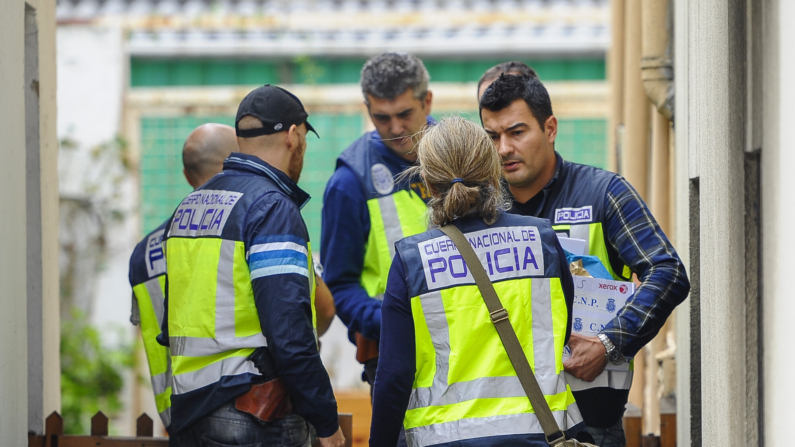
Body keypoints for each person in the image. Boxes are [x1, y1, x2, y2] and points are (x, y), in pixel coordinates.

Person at [479, 74, 690, 446]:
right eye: (492, 136)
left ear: (550, 128)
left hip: (593, 428)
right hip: (504, 428)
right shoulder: (481, 212)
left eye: (516, 132)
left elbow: (668, 271)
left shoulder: (604, 193)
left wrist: (609, 343)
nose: (504, 148)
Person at [370, 117, 586, 446]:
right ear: (492, 173)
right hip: (541, 435)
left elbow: (394, 377)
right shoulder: (541, 239)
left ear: (427, 183)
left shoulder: (413, 260)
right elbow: (560, 330)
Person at [159, 85, 345, 447]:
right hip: (254, 416)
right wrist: (326, 423)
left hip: (190, 412)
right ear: (293, 136)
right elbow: (290, 332)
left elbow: (172, 324)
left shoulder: (188, 208)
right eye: (304, 138)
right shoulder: (272, 208)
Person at [321, 52, 434, 396]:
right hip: (397, 357)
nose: (395, 128)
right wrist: (393, 322)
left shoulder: (465, 153)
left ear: (427, 101)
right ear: (367, 108)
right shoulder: (349, 182)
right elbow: (339, 286)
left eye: (404, 114)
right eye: (381, 117)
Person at [128, 123, 238, 430]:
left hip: (178, 414)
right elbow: (319, 308)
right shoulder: (252, 225)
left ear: (187, 176)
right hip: (242, 408)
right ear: (235, 165)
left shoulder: (143, 252)